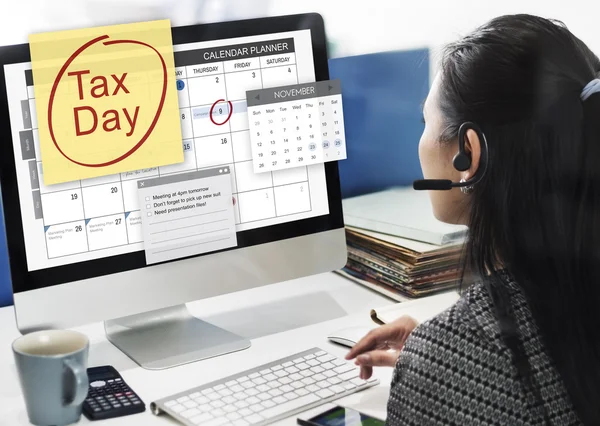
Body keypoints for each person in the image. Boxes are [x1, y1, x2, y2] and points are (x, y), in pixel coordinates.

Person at [346, 14, 600, 426]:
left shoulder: (449, 359)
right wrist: (453, 348)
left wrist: (447, 358)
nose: (421, 140)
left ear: (468, 153)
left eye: (425, 123)